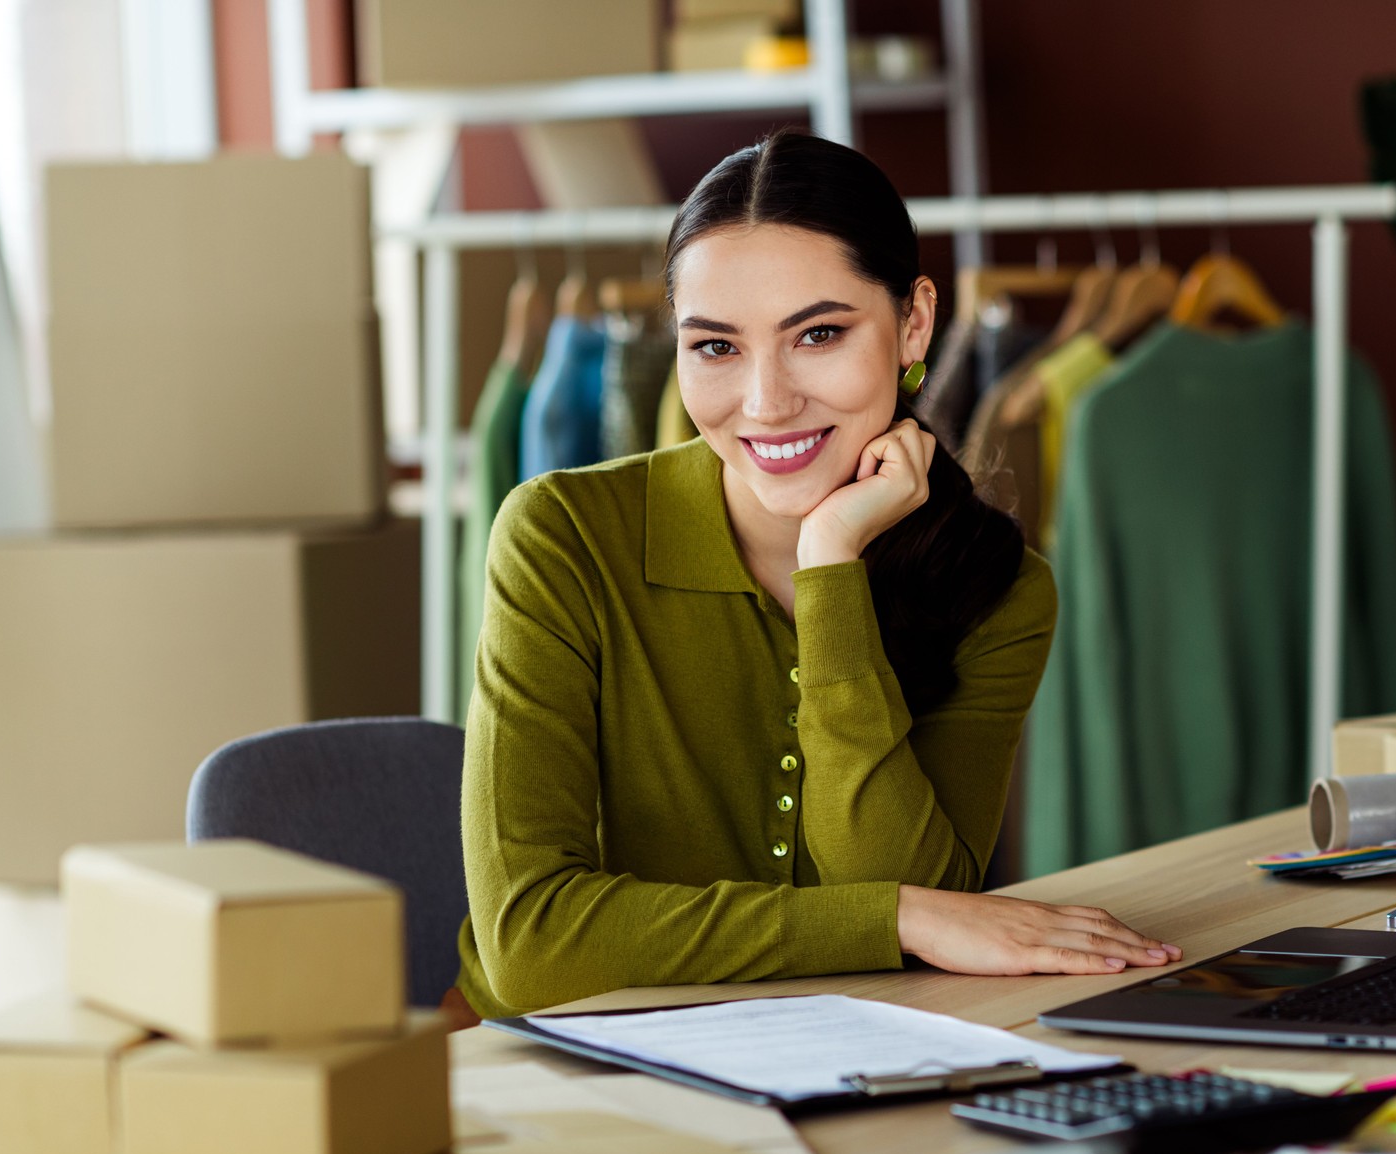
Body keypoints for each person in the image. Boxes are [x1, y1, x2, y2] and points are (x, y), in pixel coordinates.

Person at [451, 130, 1178, 1021]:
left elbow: (909, 892)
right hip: (562, 1073)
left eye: (819, 334)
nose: (765, 402)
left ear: (914, 322)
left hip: (845, 1057)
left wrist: (830, 565)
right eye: (717, 347)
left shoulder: (999, 588)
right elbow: (533, 947)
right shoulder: (561, 535)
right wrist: (896, 919)